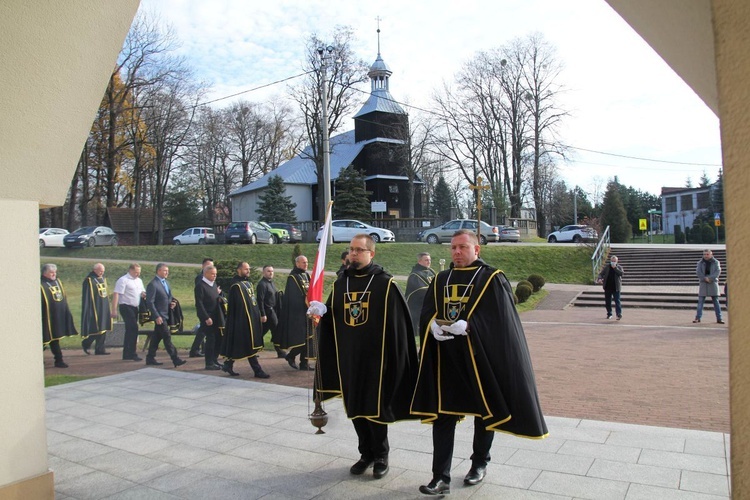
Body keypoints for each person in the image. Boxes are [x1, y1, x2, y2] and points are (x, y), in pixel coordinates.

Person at [411, 229, 547, 496]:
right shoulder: (440, 279)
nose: (457, 252)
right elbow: (427, 312)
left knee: (484, 413)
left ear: (477, 249)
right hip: (446, 359)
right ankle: (440, 477)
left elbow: (500, 319)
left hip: (478, 357)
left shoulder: (491, 278)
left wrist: (471, 326)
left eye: (462, 247)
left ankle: (479, 463)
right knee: (443, 416)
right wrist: (431, 327)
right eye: (453, 248)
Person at [311, 234, 418, 480]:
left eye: (359, 250)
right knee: (355, 408)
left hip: (376, 360)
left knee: (375, 409)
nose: (354, 254)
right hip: (349, 358)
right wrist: (322, 312)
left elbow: (398, 325)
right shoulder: (340, 284)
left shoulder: (385, 284)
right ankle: (365, 453)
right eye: (351, 249)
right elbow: (334, 317)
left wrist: (394, 359)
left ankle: (381, 455)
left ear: (372, 253)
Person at [220, 261, 270, 378]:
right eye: (245, 269)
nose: (248, 271)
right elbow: (238, 306)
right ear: (239, 270)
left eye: (249, 269)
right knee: (247, 345)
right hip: (242, 321)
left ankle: (228, 364)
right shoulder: (236, 286)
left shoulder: (248, 283)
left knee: (241, 344)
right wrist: (243, 321)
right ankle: (257, 371)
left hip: (251, 319)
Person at [145, 263, 186, 367]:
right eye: (165, 271)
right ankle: (175, 359)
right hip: (160, 316)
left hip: (167, 314)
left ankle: (150, 357)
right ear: (158, 271)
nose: (167, 272)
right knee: (167, 337)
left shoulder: (166, 283)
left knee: (156, 337)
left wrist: (171, 303)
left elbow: (169, 296)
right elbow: (150, 302)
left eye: (167, 270)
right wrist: (156, 316)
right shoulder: (153, 284)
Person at [41, 263, 78, 368]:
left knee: (55, 339)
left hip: (56, 318)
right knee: (44, 340)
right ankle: (37, 360)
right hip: (45, 318)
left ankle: (58, 360)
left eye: (55, 272)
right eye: (51, 272)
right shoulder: (40, 284)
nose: (54, 274)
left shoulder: (57, 282)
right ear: (45, 273)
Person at [281, 255, 313, 370]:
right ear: (297, 264)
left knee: (309, 338)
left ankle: (304, 363)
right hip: (298, 314)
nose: (306, 264)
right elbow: (295, 297)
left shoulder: (306, 275)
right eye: (303, 262)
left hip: (308, 312)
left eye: (307, 262)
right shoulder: (293, 277)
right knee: (302, 340)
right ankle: (291, 356)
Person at [111, 263, 146, 361]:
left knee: (131, 330)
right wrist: (113, 309)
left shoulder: (139, 281)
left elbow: (141, 292)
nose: (137, 274)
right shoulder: (123, 280)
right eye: (136, 272)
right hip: (126, 306)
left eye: (139, 272)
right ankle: (132, 353)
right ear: (130, 270)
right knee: (133, 328)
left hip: (135, 307)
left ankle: (127, 353)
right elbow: (116, 294)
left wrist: (144, 295)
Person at [195, 265, 225, 370]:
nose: (215, 276)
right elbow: (199, 304)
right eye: (212, 274)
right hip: (207, 317)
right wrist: (206, 317)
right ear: (206, 273)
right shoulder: (200, 286)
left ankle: (214, 359)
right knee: (211, 339)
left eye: (215, 274)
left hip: (216, 316)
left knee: (219, 338)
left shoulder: (213, 284)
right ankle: (209, 363)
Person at [80, 262, 113, 355]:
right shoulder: (89, 280)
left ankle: (100, 349)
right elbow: (87, 297)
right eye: (100, 271)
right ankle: (86, 343)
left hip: (104, 307)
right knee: (96, 329)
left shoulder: (102, 279)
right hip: (95, 308)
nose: (102, 273)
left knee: (104, 328)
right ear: (94, 270)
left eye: (103, 271)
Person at [256, 264, 286, 358]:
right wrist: (262, 314)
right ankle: (280, 351)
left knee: (261, 331)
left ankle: (252, 348)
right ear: (263, 272)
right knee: (276, 329)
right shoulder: (262, 285)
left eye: (272, 271)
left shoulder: (271, 283)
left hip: (273, 311)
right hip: (268, 311)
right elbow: (260, 300)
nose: (270, 273)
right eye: (268, 271)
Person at [405, 252, 436, 335]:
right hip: (417, 306)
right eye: (426, 260)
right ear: (419, 261)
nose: (429, 262)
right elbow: (419, 291)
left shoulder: (431, 271)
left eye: (429, 260)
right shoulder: (415, 275)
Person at [189, 258, 214, 358]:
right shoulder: (200, 278)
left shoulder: (211, 277)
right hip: (204, 309)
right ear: (203, 266)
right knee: (203, 330)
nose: (210, 268)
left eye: (212, 266)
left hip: (210, 309)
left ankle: (200, 349)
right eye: (208, 266)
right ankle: (195, 349)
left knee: (204, 330)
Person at [694, 249, 724, 324]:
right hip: (703, 283)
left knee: (716, 301)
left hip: (712, 283)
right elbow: (698, 272)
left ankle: (719, 318)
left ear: (711, 254)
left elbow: (718, 271)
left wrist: (710, 278)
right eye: (704, 254)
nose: (706, 256)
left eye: (707, 254)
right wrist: (704, 278)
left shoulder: (716, 262)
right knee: (700, 301)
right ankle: (698, 318)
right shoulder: (700, 263)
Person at [596, 255, 624, 320]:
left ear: (617, 261)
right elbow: (601, 274)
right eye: (612, 261)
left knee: (617, 301)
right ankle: (609, 313)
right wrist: (600, 278)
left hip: (616, 287)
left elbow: (621, 274)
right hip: (608, 287)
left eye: (614, 261)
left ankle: (618, 314)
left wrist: (615, 268)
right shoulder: (607, 267)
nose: (613, 262)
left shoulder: (619, 267)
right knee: (608, 301)